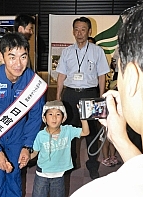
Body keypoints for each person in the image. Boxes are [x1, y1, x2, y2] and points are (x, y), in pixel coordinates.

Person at [71, 1, 143, 196]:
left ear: (133, 78)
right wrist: (120, 139)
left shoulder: (96, 192)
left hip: (90, 91)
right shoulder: (69, 51)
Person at [0, 32, 46, 197]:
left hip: (18, 137)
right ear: (1, 56)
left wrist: (27, 146)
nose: (18, 64)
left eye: (23, 57)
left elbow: (35, 116)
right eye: (12, 57)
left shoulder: (33, 82)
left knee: (14, 180)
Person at [56, 16, 110, 179]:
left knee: (92, 132)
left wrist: (101, 98)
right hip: (70, 94)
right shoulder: (67, 52)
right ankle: (69, 164)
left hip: (90, 94)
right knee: (69, 132)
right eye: (77, 29)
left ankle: (92, 165)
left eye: (83, 29)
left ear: (89, 32)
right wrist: (58, 97)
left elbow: (102, 76)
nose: (79, 33)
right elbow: (61, 76)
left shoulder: (97, 51)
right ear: (73, 31)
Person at [31, 100, 89, 197]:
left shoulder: (68, 130)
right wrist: (26, 157)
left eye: (58, 114)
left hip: (59, 174)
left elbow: (85, 132)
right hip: (42, 174)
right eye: (50, 114)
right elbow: (34, 152)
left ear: (63, 118)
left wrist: (83, 117)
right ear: (44, 118)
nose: (54, 118)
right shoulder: (41, 135)